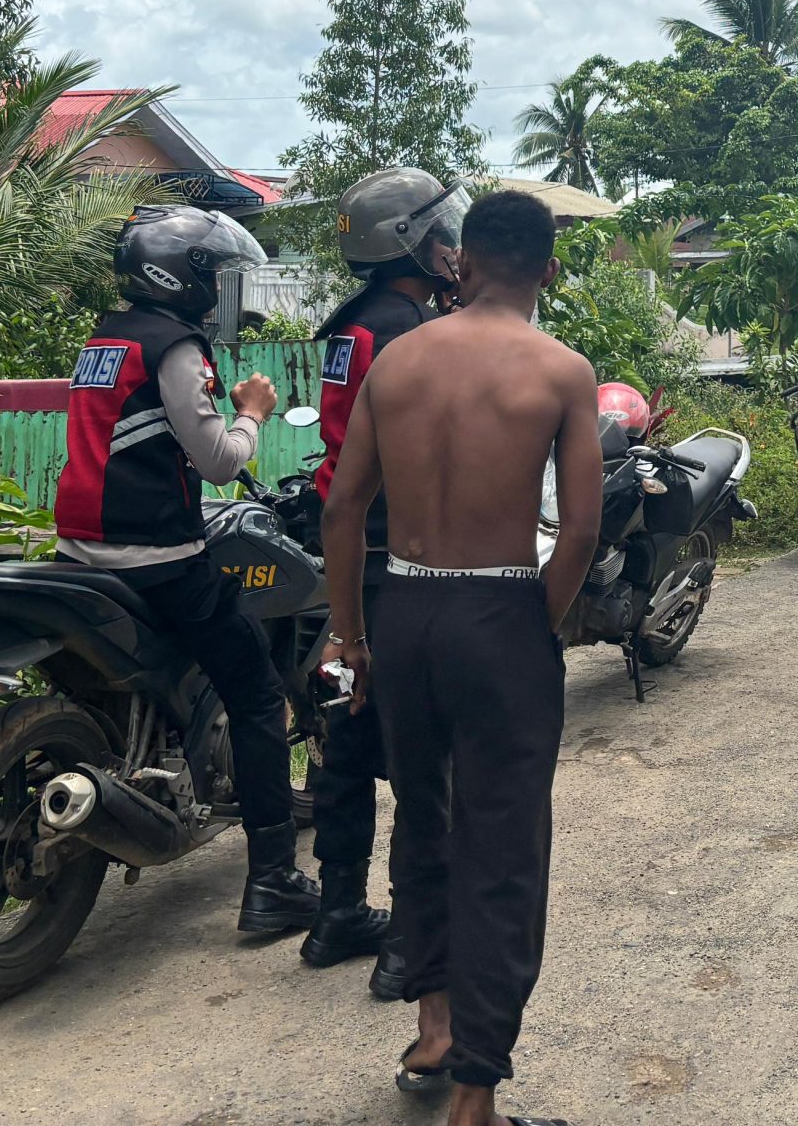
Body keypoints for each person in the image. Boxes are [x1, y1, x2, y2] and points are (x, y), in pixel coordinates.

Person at [321, 189, 601, 1126]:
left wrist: (352, 636)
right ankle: (475, 1091)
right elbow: (580, 531)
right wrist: (535, 623)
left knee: (422, 819)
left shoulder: (397, 360)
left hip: (404, 610)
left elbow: (343, 506)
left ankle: (433, 1027)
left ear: (463, 262)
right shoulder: (561, 371)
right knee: (504, 847)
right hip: (501, 608)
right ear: (548, 269)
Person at [54, 205, 319, 934]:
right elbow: (221, 462)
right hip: (156, 557)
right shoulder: (175, 348)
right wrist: (253, 411)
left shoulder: (105, 340)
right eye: (215, 276)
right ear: (184, 278)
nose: (220, 291)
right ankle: (273, 880)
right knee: (259, 695)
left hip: (79, 551)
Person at [301, 166, 468, 992]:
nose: (451, 246)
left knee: (343, 744)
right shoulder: (411, 332)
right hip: (397, 558)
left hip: (344, 560)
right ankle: (408, 943)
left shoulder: (353, 325)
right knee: (421, 758)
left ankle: (337, 912)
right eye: (441, 234)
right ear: (412, 243)